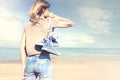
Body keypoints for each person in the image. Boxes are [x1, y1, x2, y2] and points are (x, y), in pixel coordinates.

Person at [20, 0, 74, 80]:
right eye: (48, 9)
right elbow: (70, 23)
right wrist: (55, 16)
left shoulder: (27, 25)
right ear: (43, 9)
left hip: (29, 62)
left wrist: (24, 65)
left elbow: (22, 46)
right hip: (43, 60)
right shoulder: (49, 22)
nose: (49, 11)